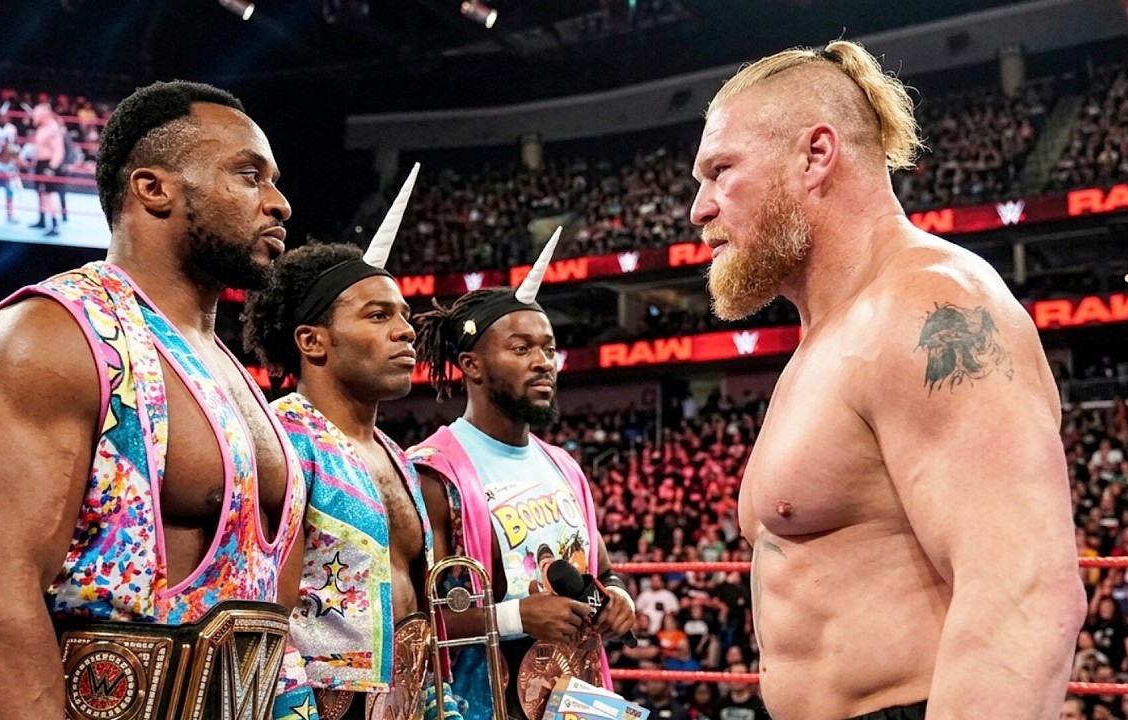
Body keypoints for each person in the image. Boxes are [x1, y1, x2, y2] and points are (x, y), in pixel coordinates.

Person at [687, 39, 1084, 719]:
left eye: (721, 170)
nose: (700, 208)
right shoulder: (829, 336)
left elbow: (1023, 593)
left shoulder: (931, 305)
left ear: (816, 155)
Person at [0, 79, 315, 720]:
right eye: (249, 176)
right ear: (153, 189)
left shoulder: (226, 369)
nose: (279, 204)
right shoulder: (49, 337)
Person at [241, 165, 462, 719]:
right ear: (313, 341)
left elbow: (417, 615)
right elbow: (262, 616)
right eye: (378, 315)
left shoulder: (398, 458)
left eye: (404, 316)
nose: (406, 330)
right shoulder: (282, 441)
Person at [409, 228, 636, 720]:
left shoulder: (564, 466)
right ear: (471, 365)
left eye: (548, 349)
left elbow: (600, 569)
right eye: (521, 349)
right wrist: (516, 617)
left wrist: (617, 594)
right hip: (484, 701)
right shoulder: (434, 472)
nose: (543, 363)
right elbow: (414, 617)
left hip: (579, 700)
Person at [28, 102, 66, 237]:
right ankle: (42, 220)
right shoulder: (41, 128)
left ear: (43, 115)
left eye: (36, 114)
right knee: (40, 193)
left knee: (48, 195)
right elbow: (38, 148)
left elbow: (59, 150)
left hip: (48, 164)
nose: (34, 117)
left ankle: (55, 225)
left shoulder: (53, 129)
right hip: (40, 164)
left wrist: (51, 168)